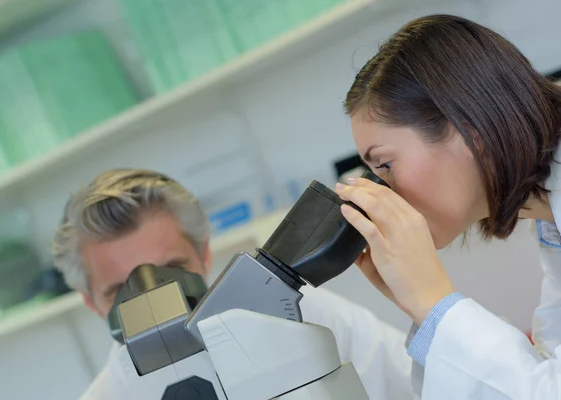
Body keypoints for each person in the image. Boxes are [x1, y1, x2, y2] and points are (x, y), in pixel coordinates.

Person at [337, 14, 561, 399]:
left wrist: (435, 302)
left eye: (385, 166)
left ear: (472, 133)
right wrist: (419, 307)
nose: (384, 194)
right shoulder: (547, 222)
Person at [51, 168, 418, 399]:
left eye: (172, 269)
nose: (151, 298)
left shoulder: (297, 316)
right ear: (90, 302)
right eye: (120, 290)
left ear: (205, 256)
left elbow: (419, 388)